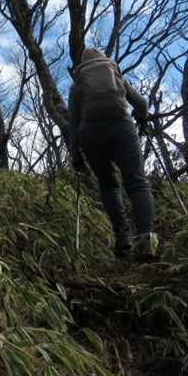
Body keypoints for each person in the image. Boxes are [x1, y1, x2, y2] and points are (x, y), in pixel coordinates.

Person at [68, 47, 158, 260]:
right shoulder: (117, 77)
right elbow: (142, 104)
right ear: (104, 62)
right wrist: (142, 116)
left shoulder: (77, 85)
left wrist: (76, 155)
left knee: (108, 184)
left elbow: (73, 122)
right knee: (137, 183)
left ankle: (123, 236)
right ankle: (146, 242)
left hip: (90, 134)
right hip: (121, 128)